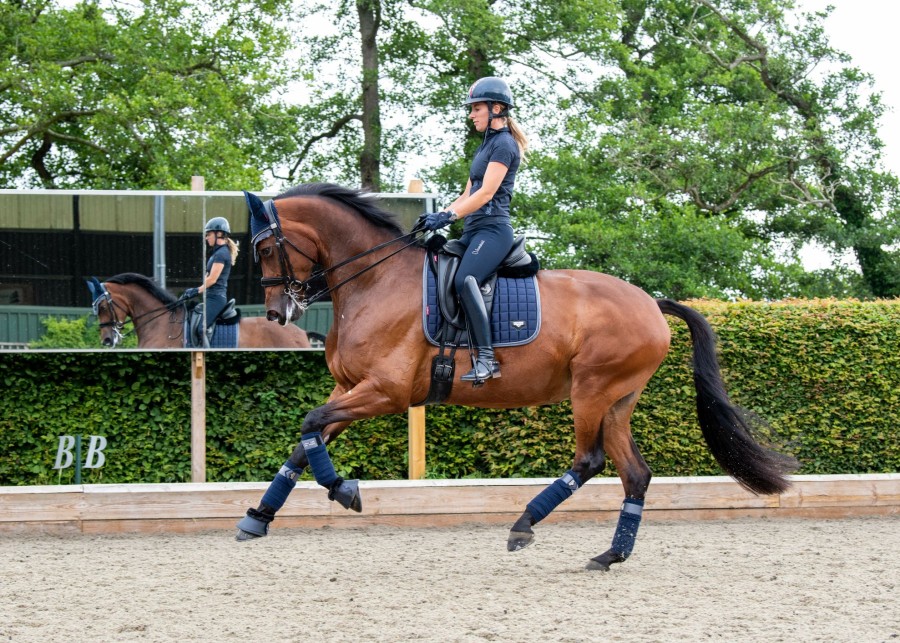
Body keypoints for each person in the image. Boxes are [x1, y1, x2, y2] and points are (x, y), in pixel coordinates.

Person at [420, 76, 529, 383]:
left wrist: (449, 217)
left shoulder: (505, 145)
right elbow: (468, 194)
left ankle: (486, 359)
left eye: (476, 108)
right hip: (472, 230)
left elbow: (485, 195)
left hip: (493, 231)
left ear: (496, 108)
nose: (471, 114)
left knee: (466, 279)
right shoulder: (484, 147)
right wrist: (436, 215)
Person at [182, 217, 239, 343]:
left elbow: (212, 279)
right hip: (211, 297)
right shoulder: (217, 253)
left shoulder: (221, 254)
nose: (206, 238)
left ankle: (204, 355)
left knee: (201, 328)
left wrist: (196, 290)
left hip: (216, 298)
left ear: (218, 234)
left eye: (208, 234)